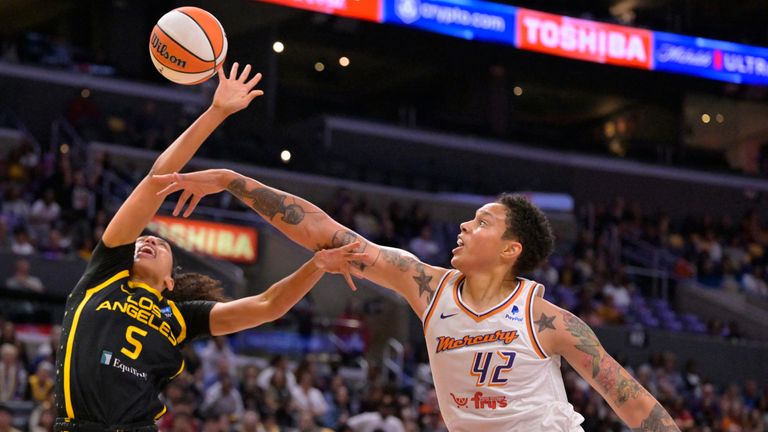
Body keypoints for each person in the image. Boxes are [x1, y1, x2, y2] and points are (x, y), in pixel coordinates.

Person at [155, 168, 681, 432]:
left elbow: (632, 401)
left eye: (481, 222)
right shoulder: (427, 286)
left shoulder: (548, 319)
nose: (464, 225)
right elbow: (328, 234)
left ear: (509, 249)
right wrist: (233, 182)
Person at [52, 63, 365, 432]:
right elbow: (156, 183)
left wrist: (316, 265)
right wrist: (215, 112)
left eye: (160, 242)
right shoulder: (104, 274)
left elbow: (268, 305)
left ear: (170, 282)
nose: (148, 238)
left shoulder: (180, 318)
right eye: (144, 239)